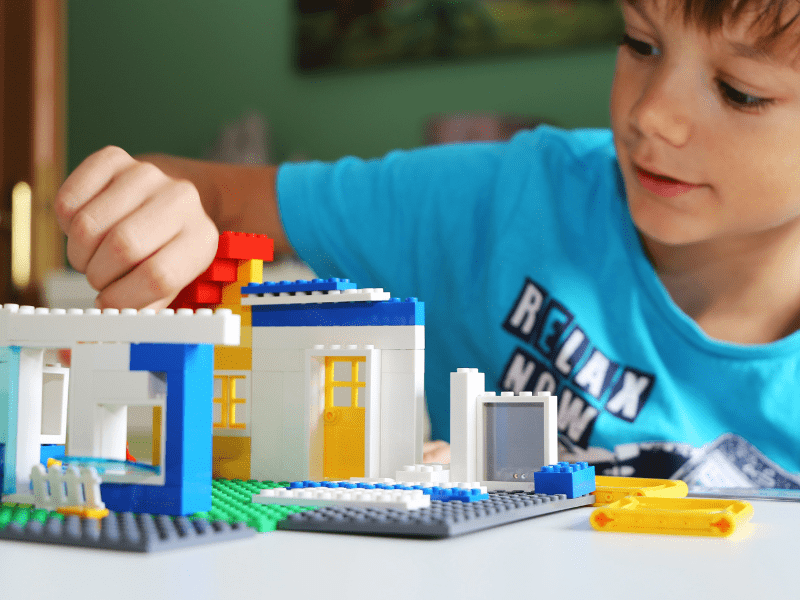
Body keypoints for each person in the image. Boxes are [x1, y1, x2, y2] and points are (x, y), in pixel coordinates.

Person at [55, 0, 800, 479]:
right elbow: (209, 190)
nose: (653, 115)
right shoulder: (502, 199)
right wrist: (152, 215)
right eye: (640, 43)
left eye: (741, 91)